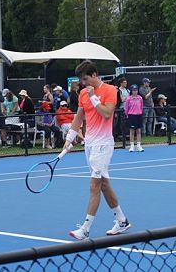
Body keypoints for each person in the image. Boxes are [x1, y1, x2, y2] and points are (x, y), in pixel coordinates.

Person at [64, 60, 131, 240]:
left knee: (94, 185)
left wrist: (94, 97)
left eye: (85, 79)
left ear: (94, 75)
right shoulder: (83, 94)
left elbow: (107, 113)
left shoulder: (110, 90)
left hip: (104, 144)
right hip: (90, 144)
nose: (83, 83)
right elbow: (78, 119)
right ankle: (122, 220)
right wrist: (69, 140)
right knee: (103, 184)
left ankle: (85, 229)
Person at [124, 84, 144, 152]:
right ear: (131, 91)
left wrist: (140, 113)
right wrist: (127, 115)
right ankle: (132, 146)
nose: (135, 91)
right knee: (132, 131)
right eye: (133, 90)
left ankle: (139, 145)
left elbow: (141, 107)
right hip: (131, 115)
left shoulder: (140, 98)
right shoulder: (128, 98)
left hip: (139, 115)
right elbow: (126, 108)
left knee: (138, 131)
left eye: (136, 90)